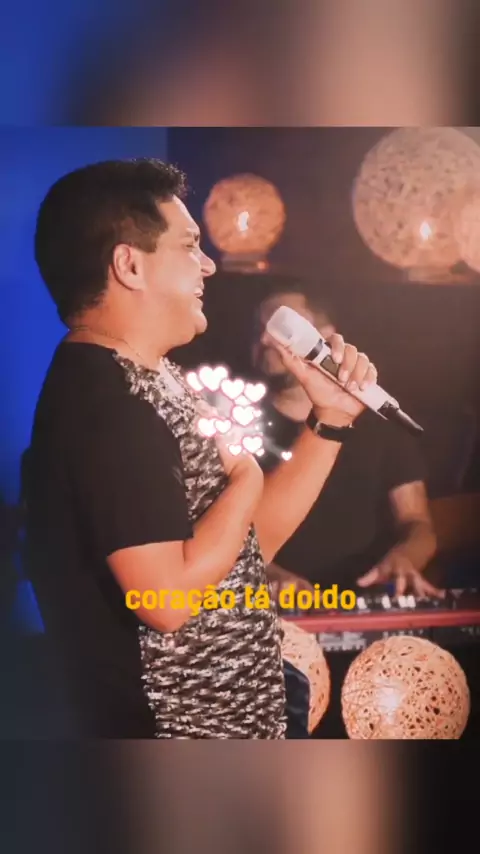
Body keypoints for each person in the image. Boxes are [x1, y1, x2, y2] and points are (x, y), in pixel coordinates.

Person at [26, 158, 378, 739]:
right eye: (190, 246)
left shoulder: (153, 378)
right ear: (129, 265)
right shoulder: (108, 406)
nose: (209, 264)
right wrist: (247, 478)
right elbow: (165, 600)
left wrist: (331, 420)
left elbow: (241, 550)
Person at [252, 284, 440, 601]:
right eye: (258, 329)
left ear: (325, 337)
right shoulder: (234, 425)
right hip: (273, 609)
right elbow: (223, 538)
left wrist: (405, 558)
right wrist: (264, 573)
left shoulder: (379, 425)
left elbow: (417, 523)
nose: (264, 340)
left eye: (279, 326)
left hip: (366, 596)